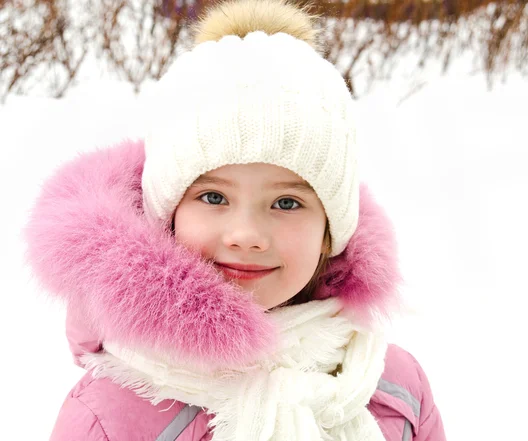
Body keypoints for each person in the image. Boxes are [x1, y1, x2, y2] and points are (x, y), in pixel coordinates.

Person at [24, 0, 446, 440]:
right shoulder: (110, 416)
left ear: (329, 231)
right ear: (167, 216)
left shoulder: (392, 388)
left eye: (286, 203)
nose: (246, 236)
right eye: (213, 196)